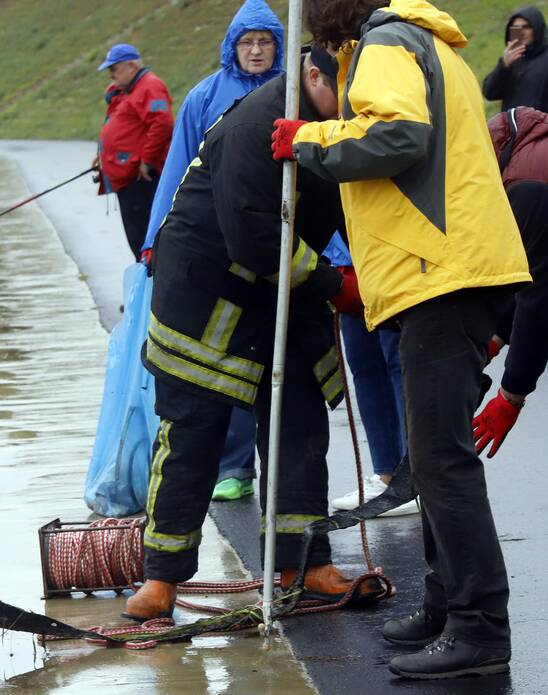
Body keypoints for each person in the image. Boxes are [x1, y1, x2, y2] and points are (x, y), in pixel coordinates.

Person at [276, 0, 530, 680]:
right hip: (460, 266)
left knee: (442, 462)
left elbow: (399, 139)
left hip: (440, 273)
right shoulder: (426, 41)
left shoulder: (385, 45)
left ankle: (480, 629)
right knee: (430, 455)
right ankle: (448, 606)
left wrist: (309, 140)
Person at [125, 49, 377, 622]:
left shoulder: (340, 129)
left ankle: (303, 566)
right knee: (193, 436)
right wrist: (337, 283)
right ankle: (161, 579)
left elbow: (358, 212)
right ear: (315, 77)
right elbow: (254, 238)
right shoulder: (249, 128)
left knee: (300, 429)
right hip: (206, 301)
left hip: (283, 297)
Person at [139, 0, 285, 503]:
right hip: (214, 250)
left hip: (274, 243)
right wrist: (156, 237)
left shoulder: (293, 94)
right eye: (248, 42)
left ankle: (276, 471)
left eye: (265, 41)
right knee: (224, 362)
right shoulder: (205, 95)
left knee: (274, 363)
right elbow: (179, 168)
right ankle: (233, 466)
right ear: (233, 47)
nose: (257, 50)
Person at [322, 231, 418, 517]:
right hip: (346, 263)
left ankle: (414, 479)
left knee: (399, 364)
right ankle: (386, 474)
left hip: (390, 255)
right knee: (365, 367)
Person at [473, 107, 548, 458]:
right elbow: (534, 271)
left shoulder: (527, 186)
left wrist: (511, 395)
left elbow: (539, 300)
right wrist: (498, 336)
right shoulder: (528, 154)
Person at [94, 44, 174, 259]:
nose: (111, 75)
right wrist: (101, 158)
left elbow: (163, 123)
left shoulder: (149, 86)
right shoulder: (127, 90)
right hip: (126, 177)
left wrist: (147, 160)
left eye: (114, 69)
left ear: (130, 66)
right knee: (136, 238)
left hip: (140, 177)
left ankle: (150, 282)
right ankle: (146, 279)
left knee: (143, 238)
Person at [482, 6, 548, 113]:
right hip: (512, 128)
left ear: (537, 28)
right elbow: (489, 93)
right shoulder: (511, 60)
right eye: (516, 28)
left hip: (540, 127)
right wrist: (503, 66)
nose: (522, 32)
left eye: (527, 27)